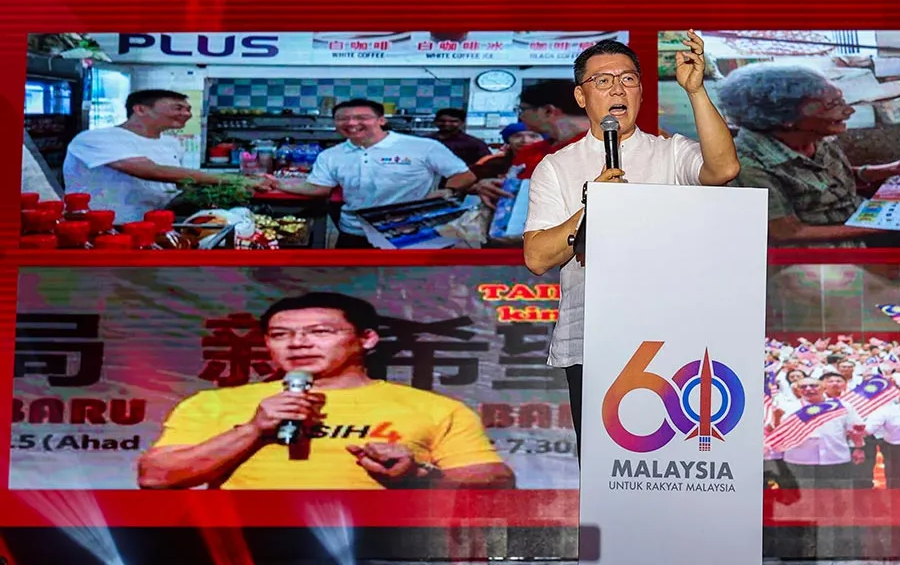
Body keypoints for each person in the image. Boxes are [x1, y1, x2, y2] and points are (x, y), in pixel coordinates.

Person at [522, 33, 741, 454]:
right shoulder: (557, 167)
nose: (617, 89)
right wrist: (594, 205)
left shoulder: (671, 153)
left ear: (641, 90)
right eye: (602, 81)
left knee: (678, 462)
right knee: (608, 472)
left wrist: (695, 91)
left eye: (627, 79)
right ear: (581, 97)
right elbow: (537, 257)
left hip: (675, 335)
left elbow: (724, 168)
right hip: (592, 339)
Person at [136, 292, 514, 490]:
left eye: (320, 332)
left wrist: (418, 475)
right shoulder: (214, 403)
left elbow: (497, 483)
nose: (298, 344)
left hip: (381, 549)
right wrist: (253, 429)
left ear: (366, 339)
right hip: (245, 549)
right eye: (281, 335)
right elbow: (156, 477)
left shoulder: (433, 408)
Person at [715, 63, 900, 247]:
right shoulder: (745, 164)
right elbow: (786, 233)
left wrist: (893, 169)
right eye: (832, 106)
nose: (848, 111)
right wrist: (888, 225)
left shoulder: (815, 137)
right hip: (820, 254)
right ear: (785, 118)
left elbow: (831, 182)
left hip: (858, 224)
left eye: (841, 101)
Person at [266, 99, 476, 248]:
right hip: (354, 231)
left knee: (410, 285)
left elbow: (464, 175)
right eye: (342, 119)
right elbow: (320, 189)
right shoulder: (331, 155)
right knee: (353, 284)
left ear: (381, 120)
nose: (351, 123)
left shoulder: (423, 146)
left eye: (361, 118)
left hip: (409, 230)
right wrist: (280, 185)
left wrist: (448, 191)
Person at [63, 89, 261, 223]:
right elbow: (151, 171)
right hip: (107, 227)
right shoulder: (97, 138)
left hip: (156, 226)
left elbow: (175, 184)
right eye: (178, 108)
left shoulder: (171, 143)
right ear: (140, 109)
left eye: (188, 109)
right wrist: (233, 180)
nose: (187, 114)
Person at [768, 378, 866, 489]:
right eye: (803, 387)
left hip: (836, 457)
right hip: (799, 459)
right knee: (803, 497)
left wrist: (858, 448)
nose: (809, 389)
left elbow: (855, 429)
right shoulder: (787, 408)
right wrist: (777, 418)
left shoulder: (842, 406)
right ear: (797, 390)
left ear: (823, 388)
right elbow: (776, 433)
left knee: (838, 496)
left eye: (814, 385)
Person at [510, 79, 592, 179]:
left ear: (548, 111)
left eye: (522, 110)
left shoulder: (605, 149)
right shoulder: (530, 151)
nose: (521, 116)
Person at [472, 122, 544, 181]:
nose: (525, 140)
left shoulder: (550, 164)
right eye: (517, 136)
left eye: (533, 136)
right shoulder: (493, 164)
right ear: (508, 140)